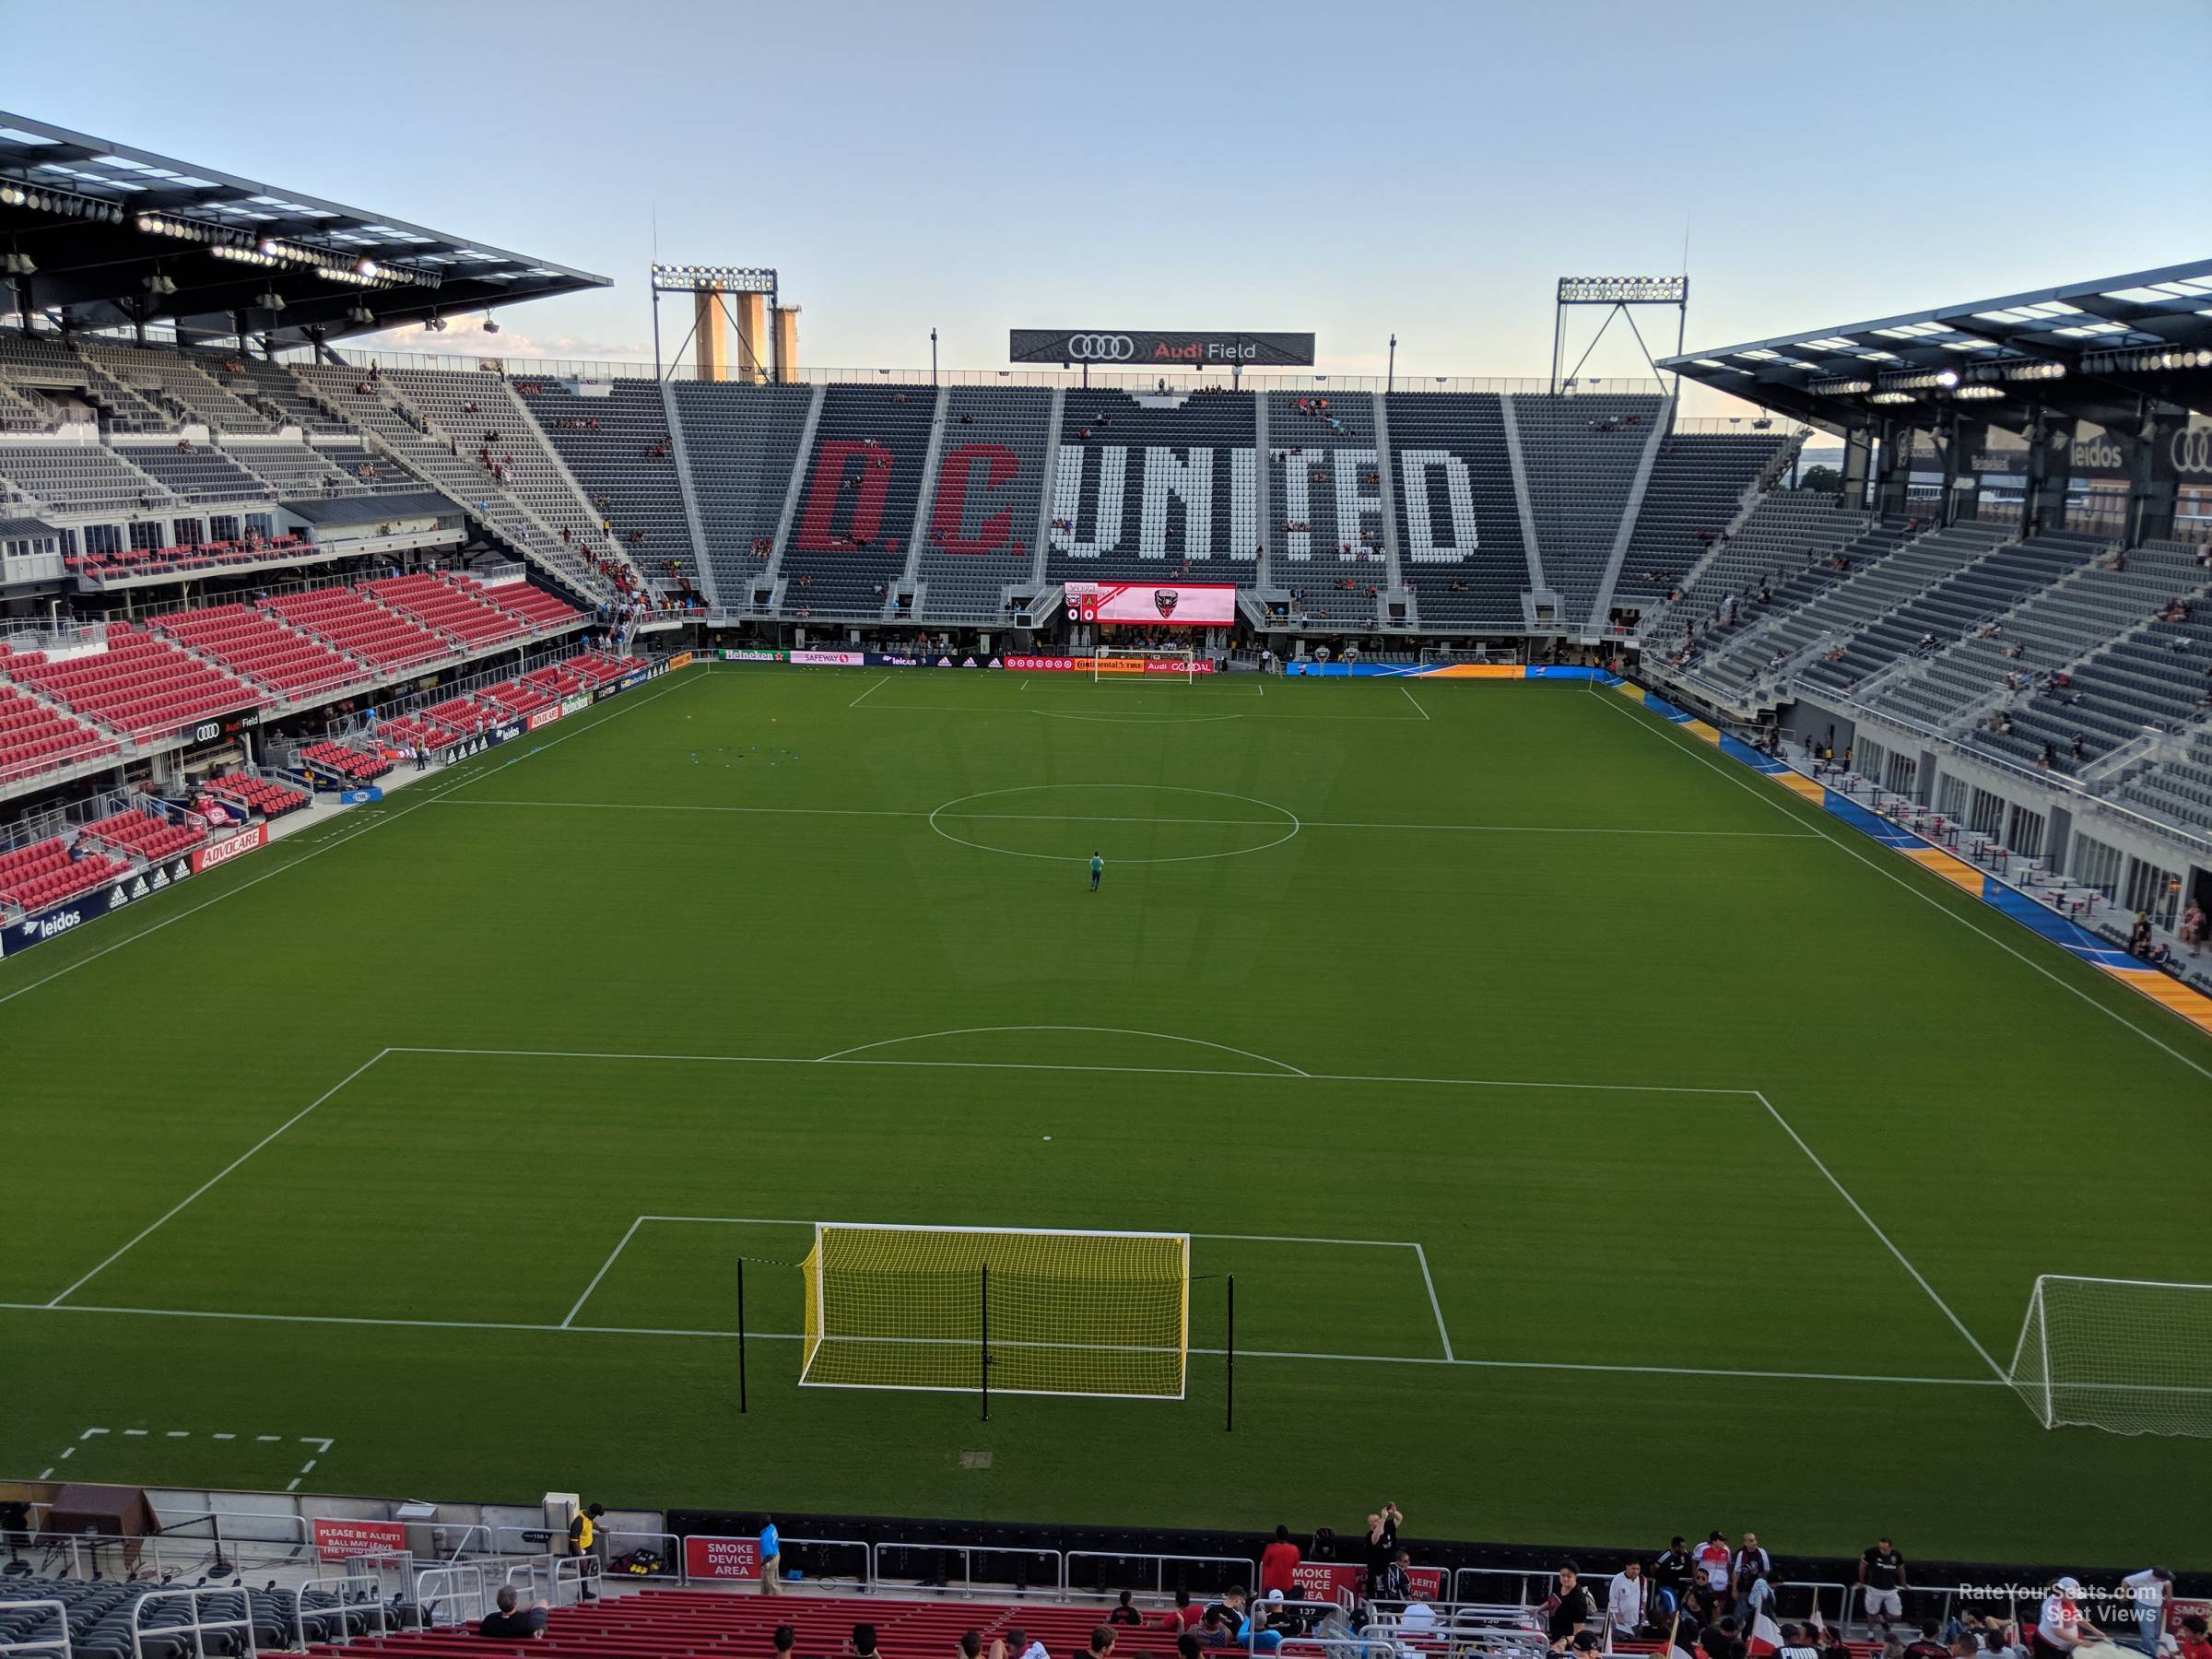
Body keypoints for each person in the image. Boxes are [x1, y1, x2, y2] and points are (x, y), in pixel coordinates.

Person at [2030, 1579, 2105, 1659]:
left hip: (2064, 1647)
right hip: (2048, 1646)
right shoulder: (2053, 1606)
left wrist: (2094, 1630)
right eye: (2071, 1595)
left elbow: (2077, 1618)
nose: (2074, 1599)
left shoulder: (2069, 1601)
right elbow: (2058, 1632)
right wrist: (2082, 1642)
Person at [2119, 1570, 2172, 1657]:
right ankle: (2152, 1656)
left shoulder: (2162, 1578)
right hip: (2143, 1606)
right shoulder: (2143, 1577)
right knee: (2148, 1635)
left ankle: (2147, 1654)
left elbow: (2168, 1583)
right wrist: (2123, 1594)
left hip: (2157, 1606)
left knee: (2156, 1634)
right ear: (2157, 1577)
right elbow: (2126, 1581)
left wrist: (2169, 1597)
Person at [1859, 1537, 1908, 1634]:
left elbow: (1901, 1569)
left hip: (1890, 1589)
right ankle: (1870, 1633)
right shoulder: (1871, 1552)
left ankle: (1882, 1618)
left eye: (1884, 1549)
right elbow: (1862, 1566)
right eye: (1880, 1548)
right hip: (1874, 1588)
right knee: (1871, 1613)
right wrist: (1861, 1581)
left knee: (1897, 1616)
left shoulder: (1896, 1555)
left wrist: (1904, 1583)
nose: (1882, 1551)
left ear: (1890, 1547)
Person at [1545, 1564, 1594, 1653]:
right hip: (1556, 1636)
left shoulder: (1578, 1600)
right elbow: (1553, 1600)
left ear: (1575, 1576)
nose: (1565, 1579)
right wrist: (1538, 1609)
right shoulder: (1560, 1586)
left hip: (1565, 1645)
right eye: (1563, 1576)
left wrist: (1564, 1642)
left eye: (1569, 1576)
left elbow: (1578, 1634)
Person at [476, 1585, 548, 1640]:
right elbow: (538, 1635)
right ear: (515, 1603)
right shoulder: (527, 1622)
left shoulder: (488, 1621)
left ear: (498, 1602)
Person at [565, 1502, 604, 1602]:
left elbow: (592, 1523)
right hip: (579, 1549)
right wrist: (582, 1557)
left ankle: (584, 1591)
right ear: (592, 1514)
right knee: (583, 1570)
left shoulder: (589, 1516)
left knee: (586, 1570)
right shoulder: (578, 1522)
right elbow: (573, 1542)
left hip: (587, 1547)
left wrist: (600, 1529)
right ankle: (581, 1596)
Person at [1363, 1504, 1402, 1597]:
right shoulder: (1370, 1535)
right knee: (1379, 1592)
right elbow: (1375, 1539)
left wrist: (1394, 1512)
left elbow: (1399, 1518)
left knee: (1394, 1589)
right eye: (1375, 1521)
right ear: (1371, 1525)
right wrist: (1383, 1519)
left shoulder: (1388, 1526)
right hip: (1378, 1569)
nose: (1378, 1520)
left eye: (1378, 1518)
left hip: (1391, 1566)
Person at [1609, 1561, 1648, 1644]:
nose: (1635, 1571)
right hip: (1620, 1622)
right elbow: (1613, 1599)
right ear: (1627, 1567)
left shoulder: (1642, 1580)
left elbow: (1644, 1598)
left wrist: (1643, 1614)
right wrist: (1618, 1616)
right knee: (1618, 1645)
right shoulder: (1617, 1579)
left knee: (1636, 1646)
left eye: (1638, 1569)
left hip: (1636, 1621)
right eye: (1633, 1568)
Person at [1260, 1526, 1301, 1598]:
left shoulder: (1270, 1548)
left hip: (1271, 1585)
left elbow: (1265, 1562)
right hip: (1286, 1585)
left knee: (1269, 1607)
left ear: (1276, 1536)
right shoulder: (1294, 1549)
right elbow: (1295, 1565)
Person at [759, 1515, 781, 1594]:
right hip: (776, 1554)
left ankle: (779, 1599)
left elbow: (769, 1556)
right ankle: (764, 1597)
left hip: (769, 1561)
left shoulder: (765, 1538)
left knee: (771, 1583)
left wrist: (762, 1564)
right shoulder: (772, 1527)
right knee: (767, 1581)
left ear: (762, 1524)